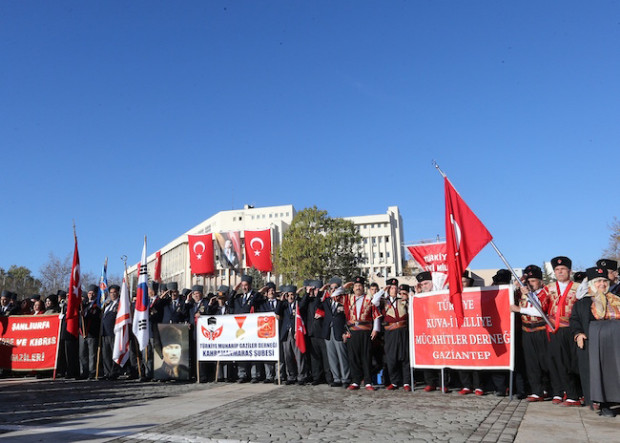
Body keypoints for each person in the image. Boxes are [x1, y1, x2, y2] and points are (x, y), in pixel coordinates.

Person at [545, 256, 582, 406]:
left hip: (573, 329)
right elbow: (539, 303)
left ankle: (580, 393)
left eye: (563, 269)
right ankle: (569, 394)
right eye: (557, 270)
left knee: (576, 362)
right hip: (555, 330)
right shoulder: (548, 288)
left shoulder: (579, 287)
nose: (560, 272)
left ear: (569, 271)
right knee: (560, 363)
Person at [510, 265, 551, 402]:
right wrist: (515, 285)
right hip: (526, 330)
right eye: (528, 281)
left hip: (541, 329)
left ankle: (550, 388)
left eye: (533, 281)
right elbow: (508, 296)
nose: (530, 284)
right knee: (531, 362)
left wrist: (519, 308)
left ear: (540, 281)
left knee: (545, 361)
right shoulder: (520, 292)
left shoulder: (545, 292)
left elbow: (541, 310)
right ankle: (536, 391)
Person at [584, 266, 620, 417]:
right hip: (598, 341)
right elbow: (578, 321)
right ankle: (604, 404)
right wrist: (578, 333)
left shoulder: (616, 298)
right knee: (601, 372)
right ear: (592, 283)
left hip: (617, 338)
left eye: (604, 281)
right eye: (598, 281)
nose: (602, 284)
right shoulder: (586, 300)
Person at [341, 276, 381, 391]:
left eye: (360, 286)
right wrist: (344, 287)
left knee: (366, 356)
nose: (358, 288)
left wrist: (375, 329)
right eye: (356, 286)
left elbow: (376, 315)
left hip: (365, 331)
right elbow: (334, 296)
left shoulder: (369, 299)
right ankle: (355, 381)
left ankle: (368, 382)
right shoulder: (348, 298)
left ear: (363, 287)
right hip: (352, 332)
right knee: (353, 357)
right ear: (353, 288)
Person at [317, 277, 350, 388]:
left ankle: (345, 378)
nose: (333, 290)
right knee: (332, 356)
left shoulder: (345, 300)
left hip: (339, 331)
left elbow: (348, 318)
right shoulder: (327, 301)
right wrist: (321, 290)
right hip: (328, 331)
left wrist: (346, 332)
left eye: (336, 288)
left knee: (342, 355)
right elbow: (317, 304)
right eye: (331, 288)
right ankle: (336, 378)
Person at [381, 279, 412, 391]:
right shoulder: (383, 301)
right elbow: (373, 302)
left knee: (405, 356)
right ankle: (394, 382)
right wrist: (383, 290)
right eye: (391, 288)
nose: (394, 290)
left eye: (395, 288)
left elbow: (412, 307)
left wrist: (409, 296)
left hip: (403, 331)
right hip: (390, 332)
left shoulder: (402, 300)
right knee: (391, 357)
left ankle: (406, 382)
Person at [230, 275, 262, 382]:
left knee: (253, 351)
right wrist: (234, 290)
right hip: (240, 329)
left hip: (251, 328)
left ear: (250, 285)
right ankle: (242, 374)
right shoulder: (238, 298)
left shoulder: (255, 296)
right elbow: (230, 303)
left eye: (246, 285)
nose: (244, 288)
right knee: (241, 352)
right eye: (242, 285)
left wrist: (257, 293)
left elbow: (256, 301)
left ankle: (254, 375)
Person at [300, 279, 332, 386]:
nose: (314, 291)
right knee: (314, 357)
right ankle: (316, 377)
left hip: (322, 332)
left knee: (325, 357)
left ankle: (328, 377)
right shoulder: (309, 300)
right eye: (312, 289)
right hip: (311, 332)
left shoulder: (324, 299)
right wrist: (307, 293)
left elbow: (320, 306)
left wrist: (318, 295)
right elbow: (301, 307)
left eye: (315, 289)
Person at [276, 285, 308, 385]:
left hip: (296, 333)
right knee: (288, 356)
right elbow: (277, 312)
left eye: (292, 295)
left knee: (299, 356)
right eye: (288, 295)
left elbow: (303, 303)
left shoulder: (298, 304)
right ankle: (291, 376)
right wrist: (281, 300)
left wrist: (305, 293)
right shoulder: (284, 305)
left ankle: (301, 376)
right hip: (286, 333)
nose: (290, 297)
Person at [185, 284, 209, 382]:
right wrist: (187, 300)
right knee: (193, 354)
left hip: (203, 333)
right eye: (194, 294)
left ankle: (203, 375)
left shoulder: (206, 303)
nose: (195, 295)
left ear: (201, 294)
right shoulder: (190, 304)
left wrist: (202, 314)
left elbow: (209, 312)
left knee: (202, 355)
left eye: (197, 293)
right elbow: (183, 313)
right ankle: (194, 374)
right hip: (193, 332)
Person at [256, 282, 279, 383]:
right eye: (269, 291)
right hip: (266, 333)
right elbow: (253, 302)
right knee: (268, 354)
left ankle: (279, 376)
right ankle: (269, 376)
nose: (271, 292)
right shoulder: (262, 303)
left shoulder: (280, 302)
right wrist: (260, 291)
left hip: (278, 332)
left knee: (279, 355)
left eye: (273, 290)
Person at [79, 285, 101, 380]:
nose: (91, 295)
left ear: (96, 294)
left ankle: (92, 372)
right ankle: (84, 371)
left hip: (92, 333)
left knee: (92, 354)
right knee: (82, 354)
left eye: (93, 293)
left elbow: (96, 317)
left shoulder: (99, 305)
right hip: (82, 333)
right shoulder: (84, 305)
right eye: (89, 293)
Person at [100, 284, 121, 380]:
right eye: (111, 293)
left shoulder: (120, 304)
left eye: (114, 292)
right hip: (105, 333)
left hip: (114, 332)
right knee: (106, 354)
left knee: (114, 353)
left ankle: (114, 372)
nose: (112, 294)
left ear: (118, 293)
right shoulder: (108, 304)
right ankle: (107, 372)